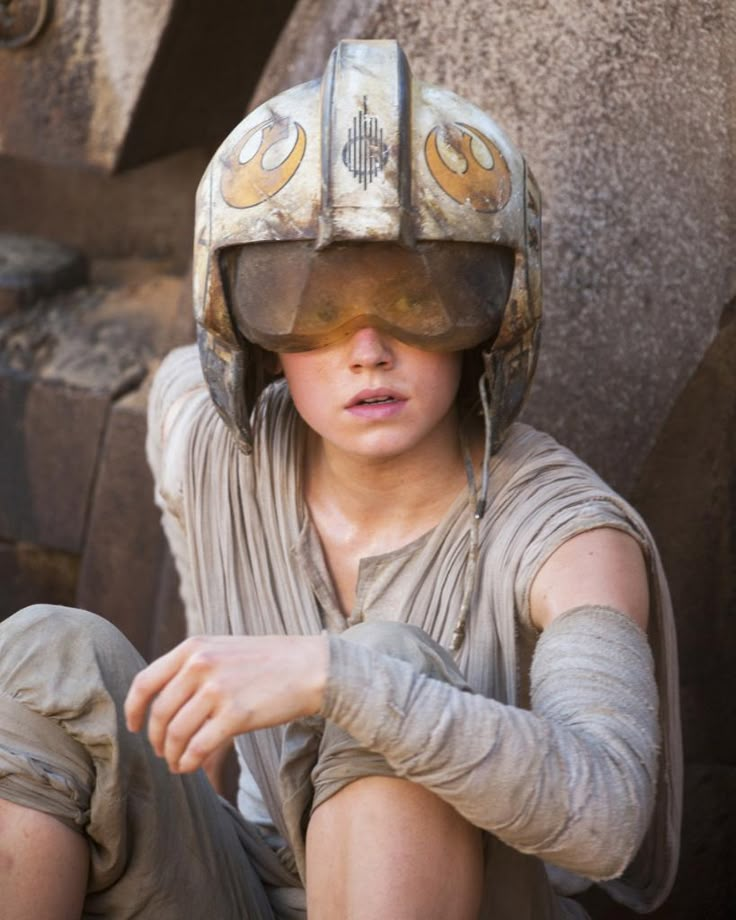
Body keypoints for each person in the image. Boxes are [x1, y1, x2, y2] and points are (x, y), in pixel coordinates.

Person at [0, 39, 681, 919]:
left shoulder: (574, 541)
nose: (369, 351)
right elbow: (209, 674)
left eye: (420, 296)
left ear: (494, 315)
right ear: (246, 323)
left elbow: (610, 818)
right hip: (259, 878)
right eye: (311, 304)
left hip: (474, 899)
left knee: (391, 665)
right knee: (45, 656)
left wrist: (338, 678)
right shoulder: (198, 430)